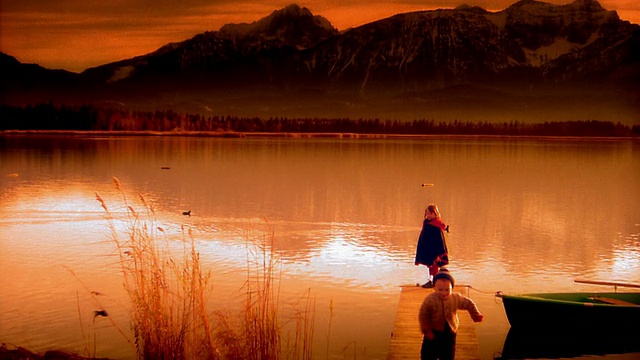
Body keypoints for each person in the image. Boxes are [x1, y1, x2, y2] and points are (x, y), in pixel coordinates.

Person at [418, 269, 484, 360]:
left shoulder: (455, 298)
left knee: (448, 354)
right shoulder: (430, 300)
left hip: (450, 331)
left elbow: (468, 303)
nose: (444, 293)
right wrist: (426, 330)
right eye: (440, 290)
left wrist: (475, 314)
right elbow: (423, 315)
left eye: (447, 290)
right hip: (433, 331)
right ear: (434, 288)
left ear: (452, 288)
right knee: (428, 354)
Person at [414, 204, 450, 288]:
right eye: (427, 213)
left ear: (435, 214)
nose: (428, 215)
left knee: (434, 266)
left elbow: (439, 240)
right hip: (427, 248)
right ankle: (432, 280)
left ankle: (434, 281)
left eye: (430, 213)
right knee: (430, 266)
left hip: (434, 249)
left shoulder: (436, 224)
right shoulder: (426, 222)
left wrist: (439, 253)